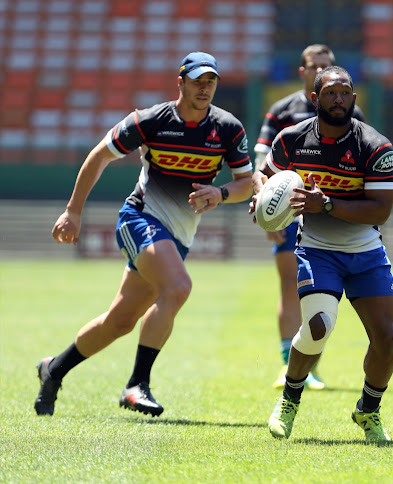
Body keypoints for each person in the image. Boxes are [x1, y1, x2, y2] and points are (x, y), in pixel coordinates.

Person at [34, 52, 253, 417]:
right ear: (180, 82)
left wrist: (222, 193)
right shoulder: (150, 120)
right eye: (197, 80)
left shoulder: (228, 129)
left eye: (211, 81)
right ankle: (137, 385)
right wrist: (73, 211)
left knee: (119, 321)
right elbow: (98, 156)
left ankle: (53, 370)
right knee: (179, 287)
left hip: (178, 235)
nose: (204, 87)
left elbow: (247, 182)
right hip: (139, 218)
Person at [250, 66, 393, 442]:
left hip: (366, 250)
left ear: (354, 99)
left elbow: (380, 210)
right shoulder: (291, 140)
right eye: (330, 93)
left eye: (345, 92)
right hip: (318, 249)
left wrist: (327, 204)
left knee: (386, 340)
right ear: (314, 99)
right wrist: (262, 201)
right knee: (318, 328)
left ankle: (368, 411)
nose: (338, 99)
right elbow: (269, 179)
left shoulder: (375, 145)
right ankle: (289, 402)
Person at [254, 44, 365, 391]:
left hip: (329, 212)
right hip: (289, 210)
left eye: (327, 66)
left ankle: (312, 366)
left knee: (324, 292)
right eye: (315, 66)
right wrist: (266, 206)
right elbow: (262, 163)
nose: (321, 70)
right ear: (303, 71)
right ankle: (289, 364)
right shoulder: (281, 110)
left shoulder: (351, 111)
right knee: (290, 285)